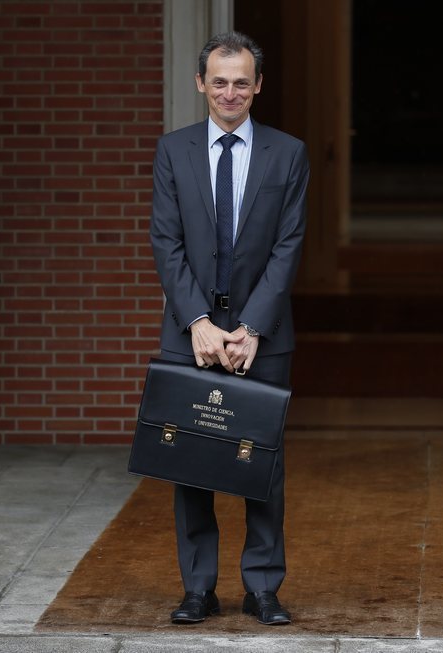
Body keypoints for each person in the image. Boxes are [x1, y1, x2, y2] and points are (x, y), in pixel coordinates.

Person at [149, 31, 309, 626]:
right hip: (188, 331)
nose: (230, 91)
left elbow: (289, 244)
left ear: (258, 85)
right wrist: (197, 320)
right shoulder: (174, 150)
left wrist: (251, 328)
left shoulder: (287, 153)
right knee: (188, 462)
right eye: (220, 81)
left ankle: (263, 586)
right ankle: (198, 588)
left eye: (242, 81)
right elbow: (166, 242)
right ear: (201, 84)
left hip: (259, 336)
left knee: (261, 461)